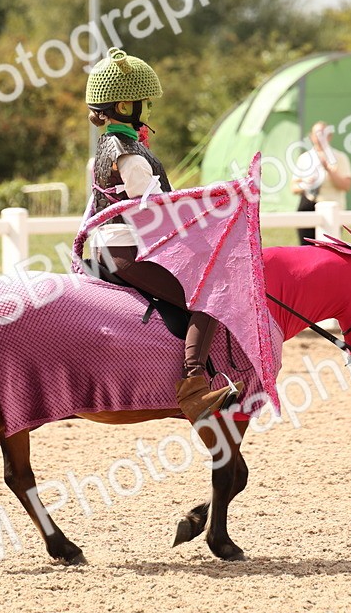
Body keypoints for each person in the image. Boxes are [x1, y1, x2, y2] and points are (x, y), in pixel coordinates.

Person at [84, 47, 241, 423]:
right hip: (128, 253)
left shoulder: (106, 149)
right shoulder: (130, 156)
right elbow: (157, 211)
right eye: (146, 105)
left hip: (107, 248)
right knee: (210, 295)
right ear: (125, 107)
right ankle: (194, 388)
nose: (150, 111)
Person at [291, 120, 351, 244]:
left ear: (330, 136)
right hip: (308, 205)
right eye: (317, 134)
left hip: (331, 209)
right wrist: (306, 183)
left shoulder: (340, 157)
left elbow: (346, 185)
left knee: (328, 250)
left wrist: (330, 171)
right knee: (305, 249)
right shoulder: (304, 158)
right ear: (311, 136)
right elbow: (293, 187)